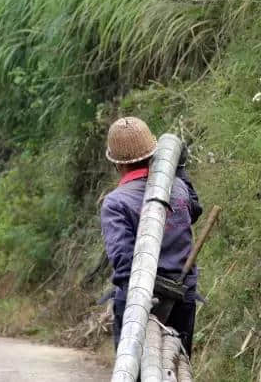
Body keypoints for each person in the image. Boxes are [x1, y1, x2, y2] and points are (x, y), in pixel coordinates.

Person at [100, 116, 202, 356]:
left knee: (131, 369)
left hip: (138, 297)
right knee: (178, 363)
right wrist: (179, 169)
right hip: (182, 294)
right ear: (152, 154)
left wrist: (132, 304)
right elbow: (195, 211)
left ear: (117, 163)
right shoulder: (178, 188)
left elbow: (123, 261)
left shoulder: (116, 202)